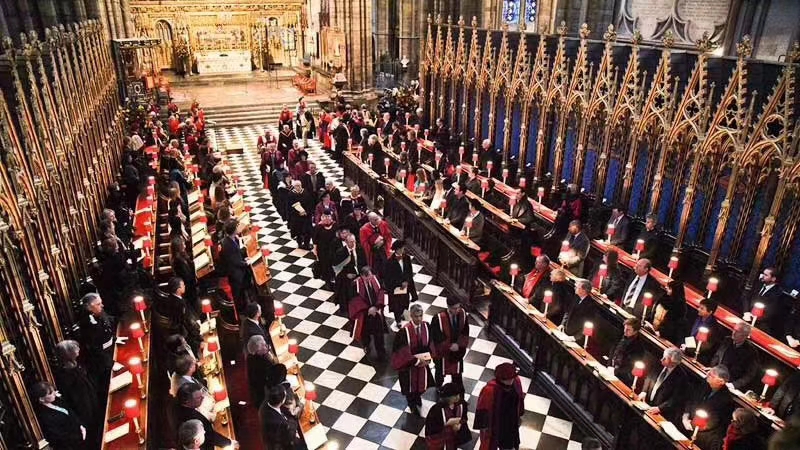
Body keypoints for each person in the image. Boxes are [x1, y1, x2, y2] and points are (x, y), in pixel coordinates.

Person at [391, 304, 435, 415]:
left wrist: (429, 357)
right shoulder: (404, 332)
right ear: (410, 315)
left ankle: (417, 397)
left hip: (422, 364)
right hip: (408, 366)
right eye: (416, 316)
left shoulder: (426, 326)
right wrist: (417, 361)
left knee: (421, 384)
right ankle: (412, 405)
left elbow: (431, 343)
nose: (419, 319)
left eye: (421, 316)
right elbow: (402, 352)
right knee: (410, 387)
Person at [682, 365, 735, 450]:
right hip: (689, 421)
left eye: (711, 375)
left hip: (705, 430)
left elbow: (713, 421)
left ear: (721, 381)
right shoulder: (705, 383)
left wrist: (692, 424)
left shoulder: (726, 400)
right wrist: (686, 415)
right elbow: (692, 399)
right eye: (708, 373)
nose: (707, 375)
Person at [474, 362, 525, 450]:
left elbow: (519, 397)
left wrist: (519, 413)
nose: (510, 381)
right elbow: (482, 409)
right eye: (507, 379)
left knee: (509, 444)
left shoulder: (516, 381)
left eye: (512, 378)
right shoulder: (490, 390)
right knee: (491, 443)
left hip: (511, 420)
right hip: (496, 422)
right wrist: (484, 427)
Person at [173, 383, 235, 449]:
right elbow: (209, 435)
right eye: (198, 398)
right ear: (187, 401)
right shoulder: (192, 418)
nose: (203, 398)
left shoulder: (183, 406)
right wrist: (229, 443)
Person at [639, 347, 689, 424]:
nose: (661, 359)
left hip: (661, 411)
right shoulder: (658, 364)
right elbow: (649, 377)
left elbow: (675, 399)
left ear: (673, 362)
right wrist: (644, 391)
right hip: (646, 402)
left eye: (665, 358)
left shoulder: (681, 377)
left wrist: (659, 408)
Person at [30, 381, 86, 449]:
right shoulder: (45, 416)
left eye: (53, 390)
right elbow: (59, 436)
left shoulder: (57, 400)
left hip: (81, 434)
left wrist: (81, 426)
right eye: (50, 393)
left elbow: (71, 412)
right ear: (41, 399)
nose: (54, 393)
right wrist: (80, 437)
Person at [78, 293, 115, 391]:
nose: (102, 306)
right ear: (89, 307)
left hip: (110, 351)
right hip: (102, 362)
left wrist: (115, 339)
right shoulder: (88, 323)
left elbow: (108, 326)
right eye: (98, 304)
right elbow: (96, 347)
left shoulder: (99, 313)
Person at [350, 266, 388, 360]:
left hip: (376, 312)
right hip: (364, 314)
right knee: (365, 333)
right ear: (362, 276)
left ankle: (381, 353)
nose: (371, 278)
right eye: (368, 277)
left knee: (379, 334)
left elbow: (381, 292)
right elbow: (355, 300)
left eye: (371, 276)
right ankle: (366, 346)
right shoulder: (355, 285)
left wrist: (376, 307)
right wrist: (368, 310)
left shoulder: (375, 279)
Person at [431, 297, 470, 388]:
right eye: (454, 308)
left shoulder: (462, 314)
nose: (457, 310)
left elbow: (465, 331)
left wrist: (459, 345)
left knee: (457, 376)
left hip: (457, 352)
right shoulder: (439, 318)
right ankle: (438, 389)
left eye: (458, 307)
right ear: (448, 307)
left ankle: (458, 392)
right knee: (440, 374)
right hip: (443, 353)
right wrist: (448, 346)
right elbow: (435, 336)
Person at [710, 322, 759, 390]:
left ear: (745, 335)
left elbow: (749, 375)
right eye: (734, 330)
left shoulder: (751, 351)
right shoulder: (727, 340)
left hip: (731, 383)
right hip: (716, 376)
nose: (734, 333)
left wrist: (734, 385)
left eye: (737, 331)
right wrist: (712, 369)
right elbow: (717, 356)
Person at [425, 382, 471, 449]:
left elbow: (464, 417)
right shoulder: (436, 409)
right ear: (447, 397)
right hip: (441, 440)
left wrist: (460, 424)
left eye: (458, 394)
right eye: (454, 396)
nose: (457, 397)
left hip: (454, 438)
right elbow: (430, 426)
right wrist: (447, 423)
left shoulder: (461, 404)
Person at [750, 267, 791, 340]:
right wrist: (746, 312)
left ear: (773, 279)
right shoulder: (758, 284)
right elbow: (748, 297)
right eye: (763, 274)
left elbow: (771, 313)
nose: (762, 276)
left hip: (763, 324)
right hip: (748, 316)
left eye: (766, 275)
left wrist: (753, 317)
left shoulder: (778, 293)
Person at [246, 335, 287, 408]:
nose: (267, 347)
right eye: (264, 346)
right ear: (258, 351)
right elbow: (270, 381)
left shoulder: (252, 357)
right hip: (265, 396)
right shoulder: (261, 364)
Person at [384, 240, 419, 325]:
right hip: (395, 287)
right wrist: (400, 283)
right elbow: (389, 278)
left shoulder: (407, 258)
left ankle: (403, 315)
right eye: (402, 248)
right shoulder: (389, 262)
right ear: (397, 249)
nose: (403, 249)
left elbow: (409, 272)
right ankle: (398, 320)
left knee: (405, 302)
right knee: (397, 305)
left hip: (406, 286)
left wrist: (407, 281)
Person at [219, 219, 251, 308]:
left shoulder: (229, 239)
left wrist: (244, 258)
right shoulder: (228, 244)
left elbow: (236, 255)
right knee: (240, 294)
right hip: (236, 274)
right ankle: (243, 307)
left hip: (236, 268)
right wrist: (246, 263)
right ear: (234, 230)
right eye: (237, 227)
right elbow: (235, 261)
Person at [684, 299, 723, 365]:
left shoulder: (713, 326)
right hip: (688, 346)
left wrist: (689, 348)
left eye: (702, 308)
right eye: (699, 307)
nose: (698, 309)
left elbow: (707, 345)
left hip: (699, 355)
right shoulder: (697, 317)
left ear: (710, 312)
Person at [334, 232, 366, 312]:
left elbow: (364, 263)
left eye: (354, 241)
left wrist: (360, 275)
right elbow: (337, 268)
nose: (353, 243)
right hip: (346, 277)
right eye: (351, 242)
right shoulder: (340, 252)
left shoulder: (359, 249)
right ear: (346, 242)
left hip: (358, 275)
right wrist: (346, 275)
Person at [610, 318, 646, 385]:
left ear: (635, 332)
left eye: (628, 330)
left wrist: (615, 371)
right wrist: (609, 365)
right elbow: (612, 350)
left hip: (623, 377)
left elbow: (630, 367)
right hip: (611, 368)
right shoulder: (621, 335)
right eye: (625, 328)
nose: (625, 331)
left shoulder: (638, 347)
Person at [652, 279, 688, 344]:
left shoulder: (679, 306)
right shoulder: (664, 298)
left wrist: (661, 332)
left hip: (667, 335)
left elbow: (673, 324)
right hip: (654, 326)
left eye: (669, 288)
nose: (667, 289)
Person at [359, 212, 393, 276]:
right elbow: (363, 243)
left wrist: (383, 241)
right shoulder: (363, 229)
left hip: (383, 250)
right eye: (375, 220)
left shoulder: (383, 223)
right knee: (375, 269)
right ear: (370, 220)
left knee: (385, 266)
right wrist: (374, 244)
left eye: (377, 218)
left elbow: (388, 235)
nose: (377, 221)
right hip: (373, 253)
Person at [171, 236, 198, 313]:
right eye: (183, 244)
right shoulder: (177, 261)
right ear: (179, 247)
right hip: (188, 287)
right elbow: (187, 276)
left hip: (191, 283)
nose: (185, 245)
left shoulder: (182, 255)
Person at [288, 180, 315, 250]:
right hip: (297, 217)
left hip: (306, 216)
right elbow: (290, 206)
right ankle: (299, 243)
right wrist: (298, 213)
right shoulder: (291, 194)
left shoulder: (306, 193)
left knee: (308, 231)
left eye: (299, 185)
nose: (298, 187)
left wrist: (306, 212)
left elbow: (310, 203)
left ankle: (306, 244)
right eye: (296, 186)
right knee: (298, 231)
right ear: (294, 186)